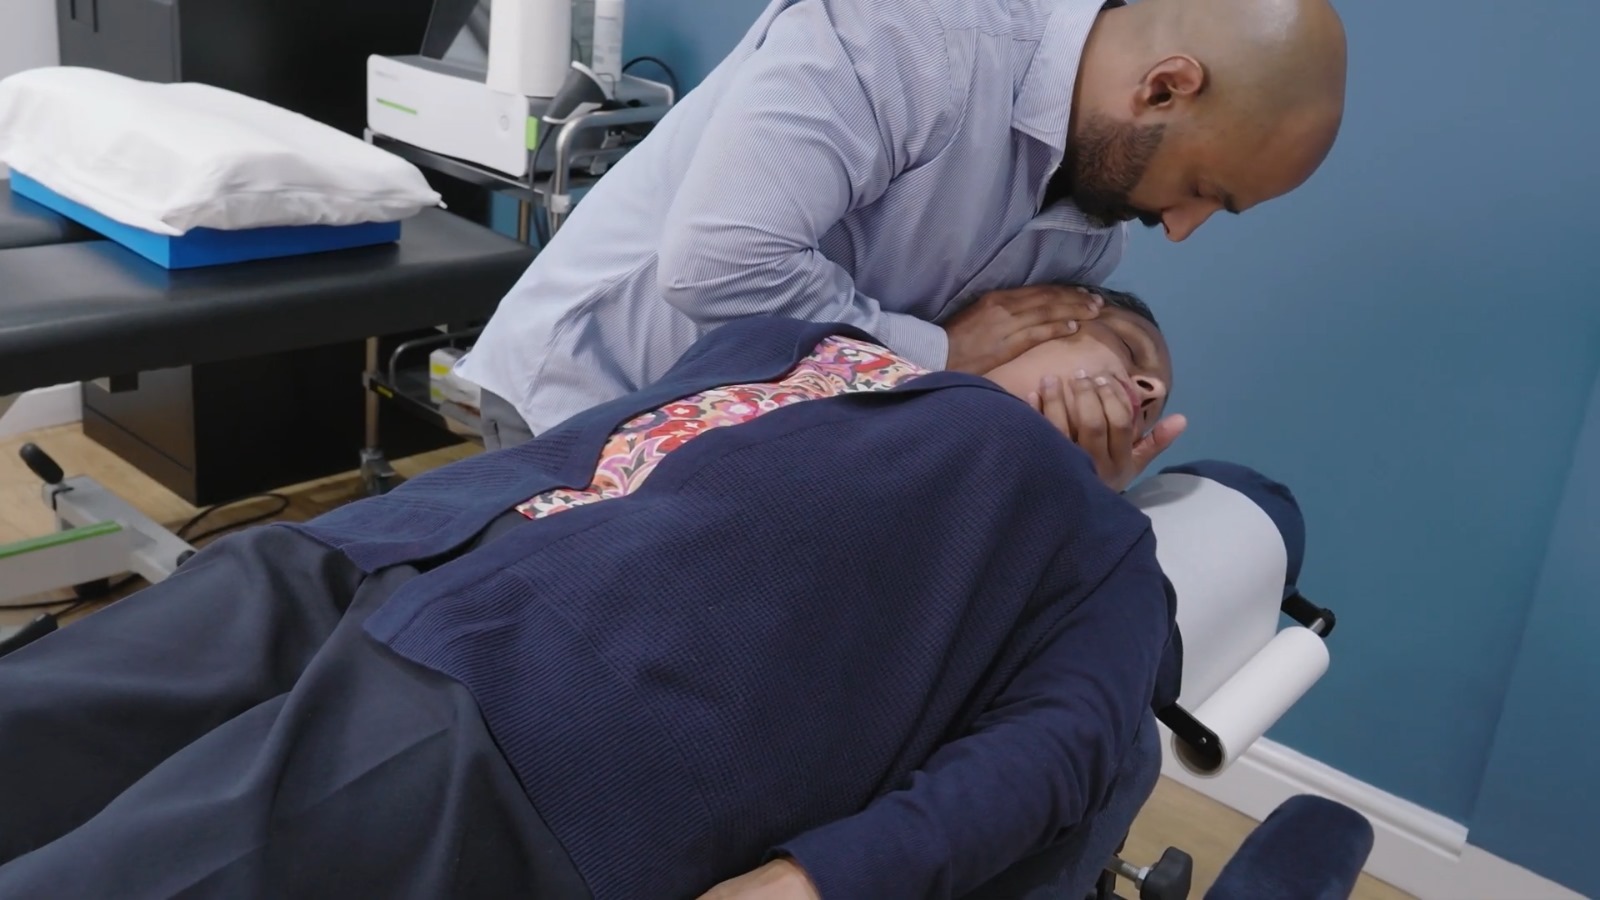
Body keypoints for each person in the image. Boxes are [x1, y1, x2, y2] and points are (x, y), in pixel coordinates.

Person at [0, 289, 1180, 900]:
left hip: (530, 715)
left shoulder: (1089, 537)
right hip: (357, 558)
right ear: (1040, 321)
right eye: (1119, 359)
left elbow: (1070, 744)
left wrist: (827, 877)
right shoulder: (806, 338)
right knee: (39, 720)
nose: (1128, 398)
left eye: (1147, 400)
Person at [456, 0, 1346, 488]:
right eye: (1200, 192)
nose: (1182, 230)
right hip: (587, 400)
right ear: (1163, 88)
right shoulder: (911, 31)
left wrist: (1082, 471)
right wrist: (941, 348)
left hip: (738, 471)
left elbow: (948, 419)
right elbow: (720, 260)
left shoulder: (1085, 238)